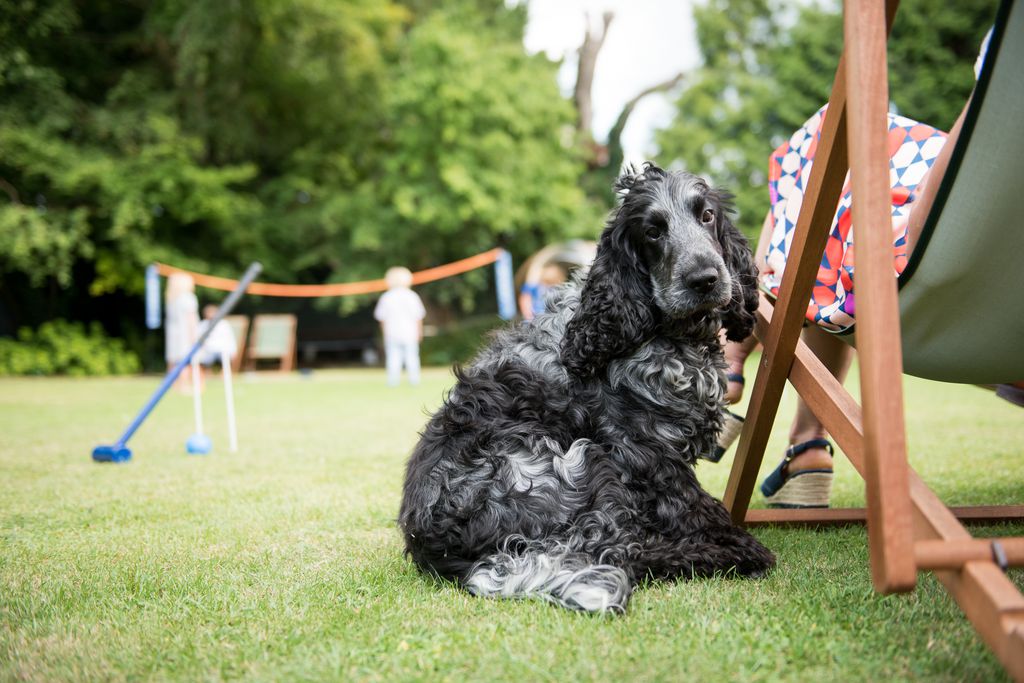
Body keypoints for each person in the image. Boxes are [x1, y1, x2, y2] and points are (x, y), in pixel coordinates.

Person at [721, 32, 992, 508]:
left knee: (834, 141)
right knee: (833, 240)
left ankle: (728, 358)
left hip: (929, 270)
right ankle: (805, 444)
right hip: (997, 315)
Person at [374, 267, 426, 387]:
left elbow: (382, 318)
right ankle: (414, 381)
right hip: (409, 333)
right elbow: (418, 317)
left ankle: (393, 382)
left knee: (393, 359)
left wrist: (384, 333)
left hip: (392, 333)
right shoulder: (412, 296)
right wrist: (419, 332)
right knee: (412, 358)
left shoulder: (386, 297)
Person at [164, 272, 199, 392]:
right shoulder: (188, 297)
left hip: (173, 333)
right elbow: (191, 319)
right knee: (185, 360)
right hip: (185, 333)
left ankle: (172, 385)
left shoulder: (171, 298)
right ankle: (184, 385)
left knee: (173, 360)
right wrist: (194, 335)